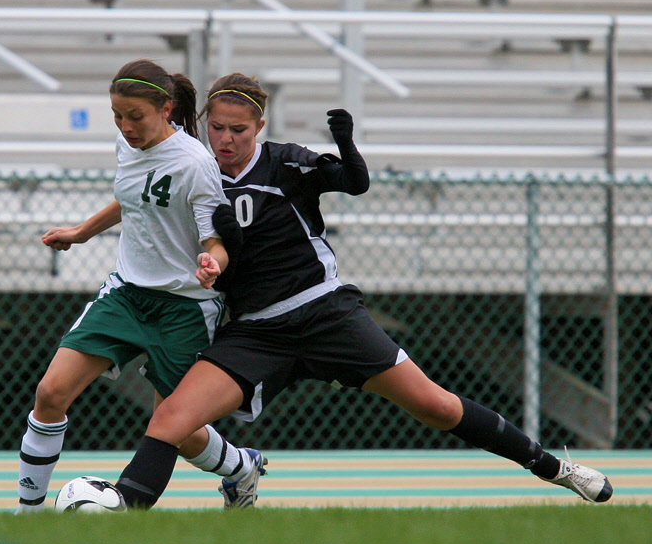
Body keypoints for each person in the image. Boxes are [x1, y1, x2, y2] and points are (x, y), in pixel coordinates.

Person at [112, 72, 614, 509]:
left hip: (323, 314)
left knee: (435, 407)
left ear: (260, 127)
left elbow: (355, 182)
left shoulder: (286, 163)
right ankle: (123, 510)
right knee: (173, 415)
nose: (225, 139)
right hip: (255, 332)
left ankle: (555, 468)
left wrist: (347, 145)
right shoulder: (197, 169)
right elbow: (140, 206)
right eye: (217, 128)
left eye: (238, 130)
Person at [16, 60, 266, 513]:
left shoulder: (196, 164)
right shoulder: (125, 146)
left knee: (178, 428)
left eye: (136, 117)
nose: (126, 127)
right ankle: (27, 514)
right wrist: (81, 232)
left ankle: (239, 468)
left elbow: (215, 238)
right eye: (117, 116)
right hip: (127, 294)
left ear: (166, 109)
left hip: (185, 307)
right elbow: (134, 197)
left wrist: (213, 263)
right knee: (50, 393)